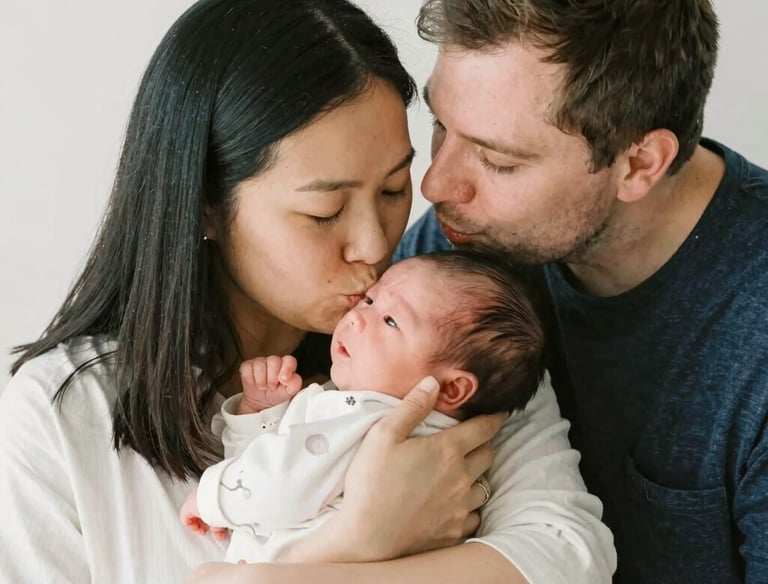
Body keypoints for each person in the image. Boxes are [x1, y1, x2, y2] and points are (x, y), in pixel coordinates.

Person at [0, 0, 615, 583]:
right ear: (207, 205)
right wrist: (357, 539)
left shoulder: (453, 337)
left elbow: (570, 556)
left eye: (394, 190)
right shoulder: (62, 417)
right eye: (325, 212)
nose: (374, 245)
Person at [396, 0, 768, 582]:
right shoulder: (470, 239)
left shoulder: (754, 343)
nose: (435, 183)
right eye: (441, 124)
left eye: (497, 161)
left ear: (639, 164)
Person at [180, 249, 545, 564]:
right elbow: (284, 470)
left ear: (452, 388)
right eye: (370, 300)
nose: (356, 316)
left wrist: (213, 498)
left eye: (391, 321)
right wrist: (260, 414)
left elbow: (284, 489)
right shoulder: (443, 449)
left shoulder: (366, 416)